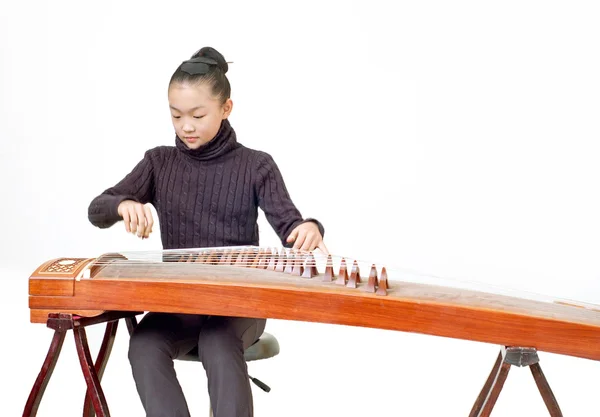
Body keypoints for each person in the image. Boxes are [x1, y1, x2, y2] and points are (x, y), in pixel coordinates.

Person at [87, 46, 327, 417]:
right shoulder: (159, 162)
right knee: (145, 344)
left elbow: (291, 227)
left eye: (198, 115)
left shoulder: (256, 166)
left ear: (226, 109)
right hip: (181, 303)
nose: (186, 126)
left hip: (238, 305)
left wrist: (309, 228)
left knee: (217, 341)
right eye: (176, 115)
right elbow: (97, 209)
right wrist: (123, 204)